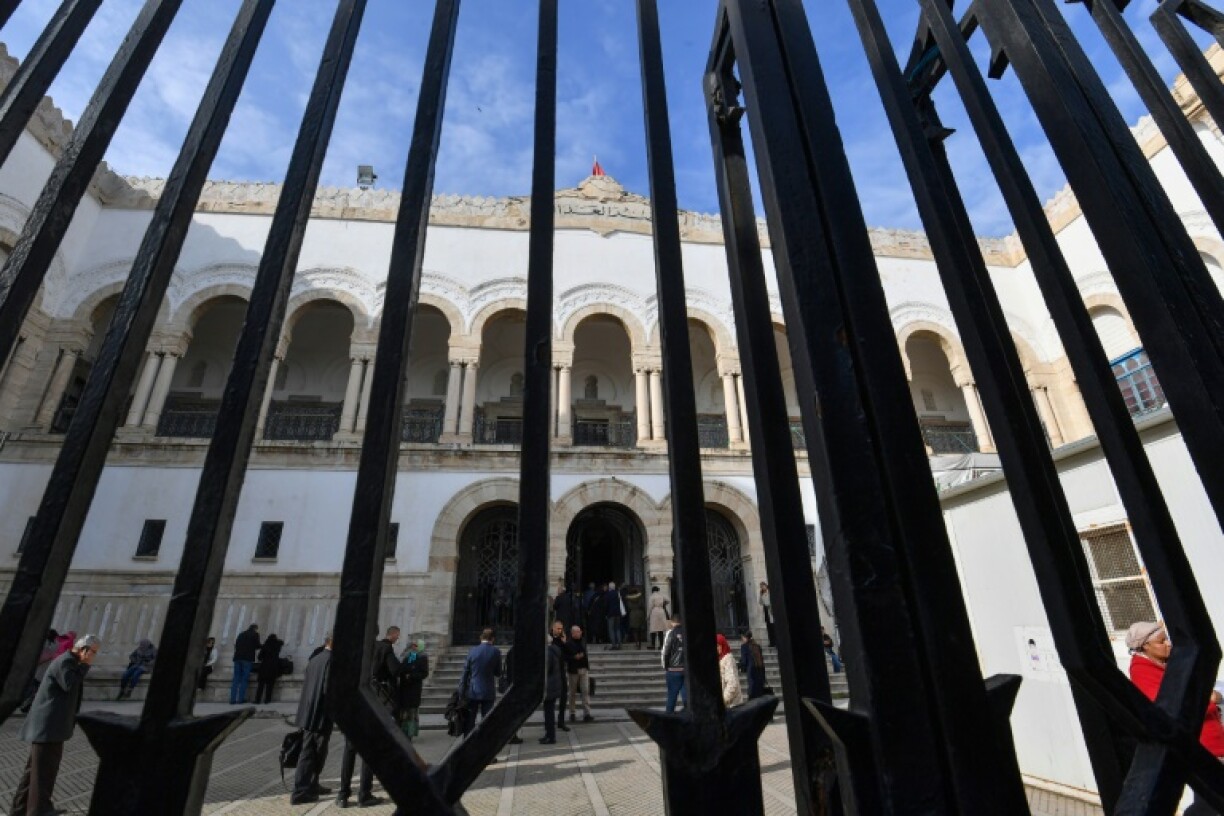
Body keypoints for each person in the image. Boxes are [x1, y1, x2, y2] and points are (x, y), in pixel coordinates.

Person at [1127, 620, 1224, 815]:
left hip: (1212, 740)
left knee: (1212, 799)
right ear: (1145, 646)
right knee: (1211, 799)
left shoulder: (1165, 664)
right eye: (1161, 641)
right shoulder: (1142, 672)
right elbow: (1172, 708)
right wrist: (1209, 699)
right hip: (1200, 745)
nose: (1168, 644)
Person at [12, 634, 98, 816]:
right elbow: (69, 684)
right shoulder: (66, 662)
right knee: (44, 773)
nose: (93, 656)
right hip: (48, 728)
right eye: (92, 652)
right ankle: (39, 810)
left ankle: (19, 809)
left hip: (50, 727)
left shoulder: (69, 661)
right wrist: (85, 665)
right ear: (84, 649)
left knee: (33, 773)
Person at [338, 626, 403, 809]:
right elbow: (395, 670)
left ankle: (342, 795)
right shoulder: (383, 648)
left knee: (349, 750)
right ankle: (364, 794)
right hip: (372, 703)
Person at [290, 635, 334, 806]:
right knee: (311, 752)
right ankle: (300, 791)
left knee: (315, 751)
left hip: (309, 712)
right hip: (321, 715)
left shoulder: (315, 658)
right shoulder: (331, 661)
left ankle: (312, 784)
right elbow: (328, 690)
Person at [459, 628, 502, 737]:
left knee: (470, 720)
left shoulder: (472, 651)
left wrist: (461, 692)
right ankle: (485, 741)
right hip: (488, 690)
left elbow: (465, 673)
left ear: (481, 638)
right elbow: (498, 673)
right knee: (487, 720)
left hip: (473, 690)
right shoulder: (496, 652)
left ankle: (468, 742)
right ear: (492, 639)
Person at [20, 629, 59, 714]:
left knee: (31, 689)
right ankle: (28, 705)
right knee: (36, 690)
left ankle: (25, 704)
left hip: (37, 670)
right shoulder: (55, 644)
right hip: (44, 671)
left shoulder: (44, 643)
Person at [541, 621, 568, 744]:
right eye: (558, 628)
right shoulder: (554, 646)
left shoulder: (554, 648)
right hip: (555, 679)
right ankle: (549, 731)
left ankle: (551, 734)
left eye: (561, 628)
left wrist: (565, 643)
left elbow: (548, 667)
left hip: (553, 680)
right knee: (549, 710)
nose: (560, 630)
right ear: (552, 629)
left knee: (549, 709)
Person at [398, 638, 429, 740]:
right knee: (405, 711)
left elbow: (424, 673)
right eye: (413, 645)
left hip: (414, 689)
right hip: (405, 688)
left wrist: (411, 676)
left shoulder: (422, 657)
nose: (413, 647)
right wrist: (406, 674)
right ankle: (404, 732)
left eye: (416, 645)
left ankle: (409, 733)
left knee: (411, 711)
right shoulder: (410, 656)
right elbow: (406, 668)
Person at [565, 624, 594, 723]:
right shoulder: (568, 643)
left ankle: (587, 713)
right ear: (572, 633)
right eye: (577, 632)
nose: (579, 633)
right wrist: (574, 657)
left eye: (580, 631)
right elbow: (565, 657)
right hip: (573, 670)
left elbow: (585, 653)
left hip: (584, 669)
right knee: (572, 692)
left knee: (585, 691)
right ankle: (572, 713)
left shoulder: (583, 641)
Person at [230, 624, 260, 704]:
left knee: (236, 679)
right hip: (247, 659)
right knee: (244, 679)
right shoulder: (255, 634)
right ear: (255, 629)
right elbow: (257, 645)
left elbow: (236, 645)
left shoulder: (241, 634)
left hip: (237, 658)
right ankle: (240, 699)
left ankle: (232, 699)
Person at [662, 616, 686, 712]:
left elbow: (666, 651)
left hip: (673, 669)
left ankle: (669, 716)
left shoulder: (671, 634)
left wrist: (666, 666)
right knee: (686, 696)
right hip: (685, 669)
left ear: (672, 622)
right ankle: (688, 714)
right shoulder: (687, 633)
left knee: (672, 696)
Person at [254, 634, 283, 704]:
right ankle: (267, 700)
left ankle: (257, 700)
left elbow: (259, 657)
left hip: (264, 667)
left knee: (261, 685)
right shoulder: (277, 645)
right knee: (270, 685)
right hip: (273, 667)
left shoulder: (265, 645)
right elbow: (281, 642)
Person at [717, 634, 743, 707]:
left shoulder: (728, 658)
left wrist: (723, 701)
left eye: (718, 646)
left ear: (723, 645)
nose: (716, 648)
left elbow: (732, 683)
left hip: (732, 704)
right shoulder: (721, 659)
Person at [740, 630, 767, 700]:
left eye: (742, 638)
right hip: (760, 673)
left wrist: (741, 667)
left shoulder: (744, 647)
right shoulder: (757, 646)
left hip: (751, 673)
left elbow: (744, 661)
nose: (742, 640)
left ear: (745, 638)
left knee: (752, 696)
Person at [604, 581, 625, 650]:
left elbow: (606, 605)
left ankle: (614, 645)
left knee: (611, 629)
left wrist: (606, 614)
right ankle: (619, 644)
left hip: (611, 614)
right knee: (618, 629)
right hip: (618, 614)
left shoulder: (608, 594)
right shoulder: (617, 593)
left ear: (609, 587)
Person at [759, 583, 775, 647]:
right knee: (769, 628)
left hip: (770, 611)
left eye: (763, 586)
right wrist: (760, 595)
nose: (762, 588)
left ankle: (775, 642)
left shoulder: (769, 593)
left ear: (765, 586)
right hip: (766, 611)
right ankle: (771, 642)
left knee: (773, 627)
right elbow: (760, 602)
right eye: (761, 587)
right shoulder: (762, 594)